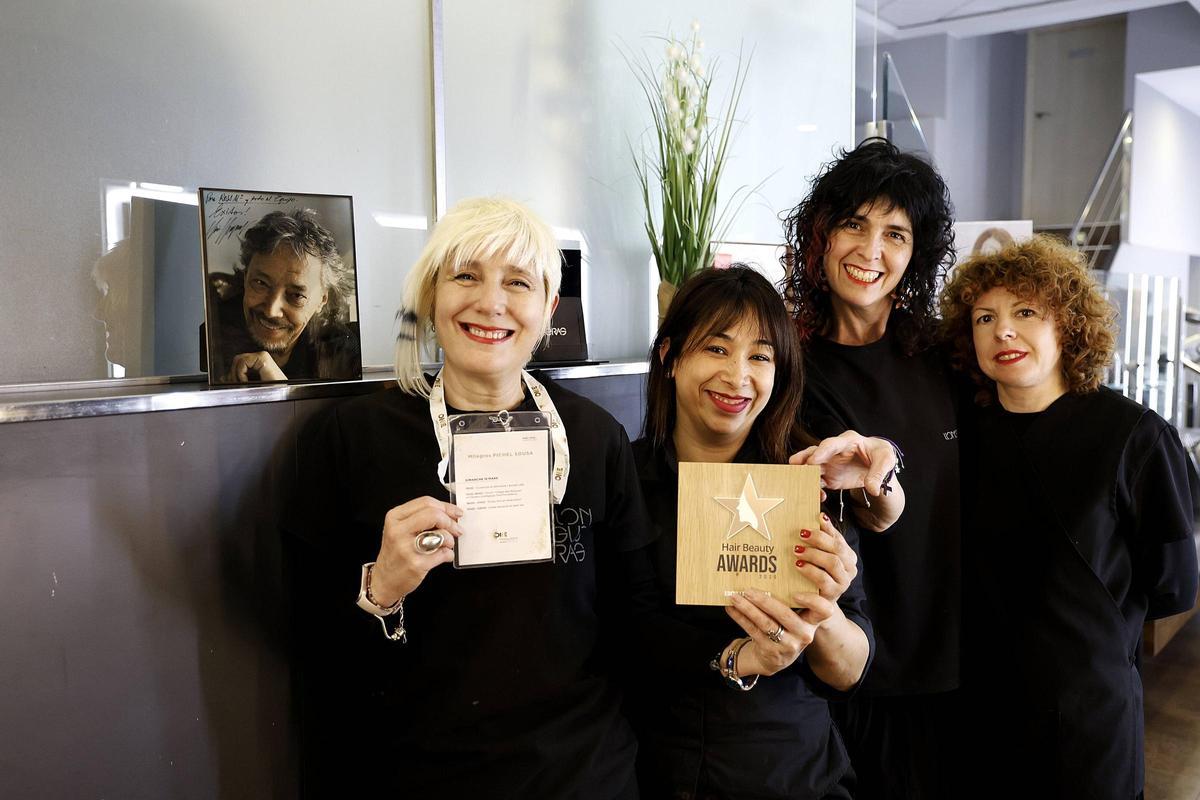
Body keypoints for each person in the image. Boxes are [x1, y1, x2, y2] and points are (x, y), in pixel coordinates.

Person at [281, 197, 652, 797]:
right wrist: (380, 588)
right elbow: (306, 637)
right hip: (418, 773)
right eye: (466, 276)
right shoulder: (354, 439)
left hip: (579, 774)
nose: (491, 303)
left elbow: (637, 618)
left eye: (518, 283)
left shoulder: (595, 439)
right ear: (432, 296)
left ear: (548, 308)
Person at [940, 235, 1199, 800]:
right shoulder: (961, 436)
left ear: (1069, 324)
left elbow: (1174, 586)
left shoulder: (1135, 436)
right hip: (976, 713)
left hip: (1088, 720)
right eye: (985, 318)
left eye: (1025, 312)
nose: (1002, 330)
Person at [630, 265, 888, 799]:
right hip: (656, 772)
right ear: (670, 356)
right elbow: (611, 636)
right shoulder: (623, 481)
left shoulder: (804, 484)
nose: (738, 376)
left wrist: (826, 612)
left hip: (794, 774)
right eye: (717, 349)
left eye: (760, 356)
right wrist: (737, 656)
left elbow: (850, 672)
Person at [781, 138, 962, 798]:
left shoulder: (947, 353)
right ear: (821, 235)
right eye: (853, 223)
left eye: (895, 233)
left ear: (916, 253)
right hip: (848, 660)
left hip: (955, 656)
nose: (870, 250)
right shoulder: (786, 368)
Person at [207, 209, 360, 382]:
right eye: (260, 283)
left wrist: (282, 390)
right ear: (245, 277)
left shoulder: (345, 353)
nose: (272, 311)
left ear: (322, 300)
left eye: (296, 295)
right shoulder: (211, 336)